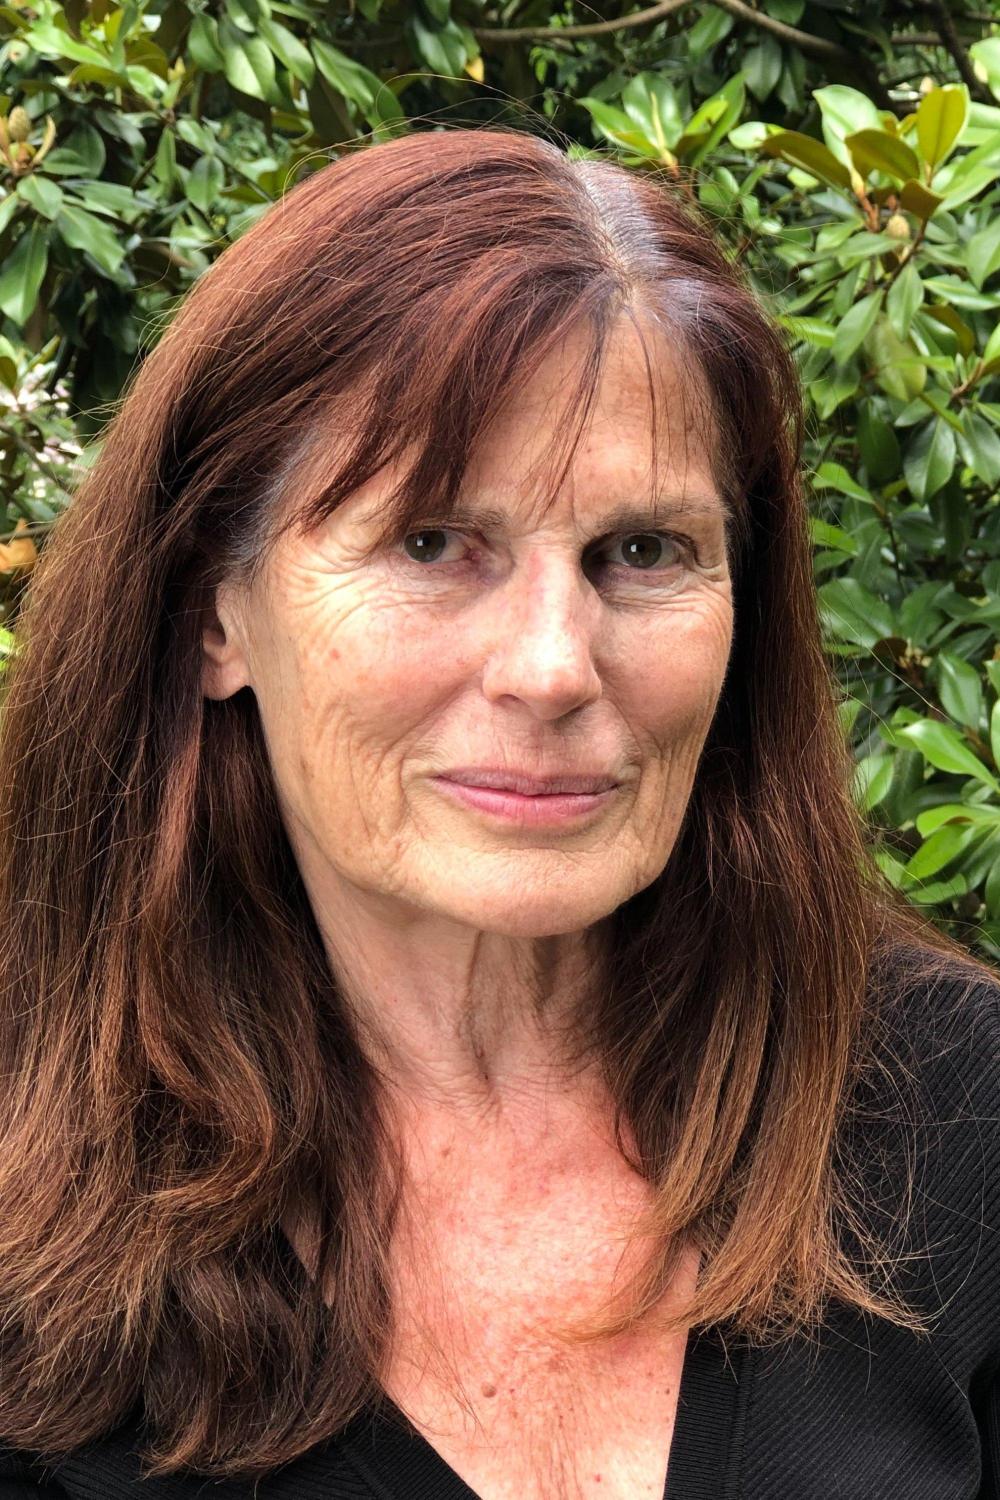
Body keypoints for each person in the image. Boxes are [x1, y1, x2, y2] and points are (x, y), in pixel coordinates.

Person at [0, 125, 997, 1500]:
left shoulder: (958, 1116)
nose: (552, 667)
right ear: (213, 613)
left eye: (641, 551)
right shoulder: (31, 1209)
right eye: (431, 544)